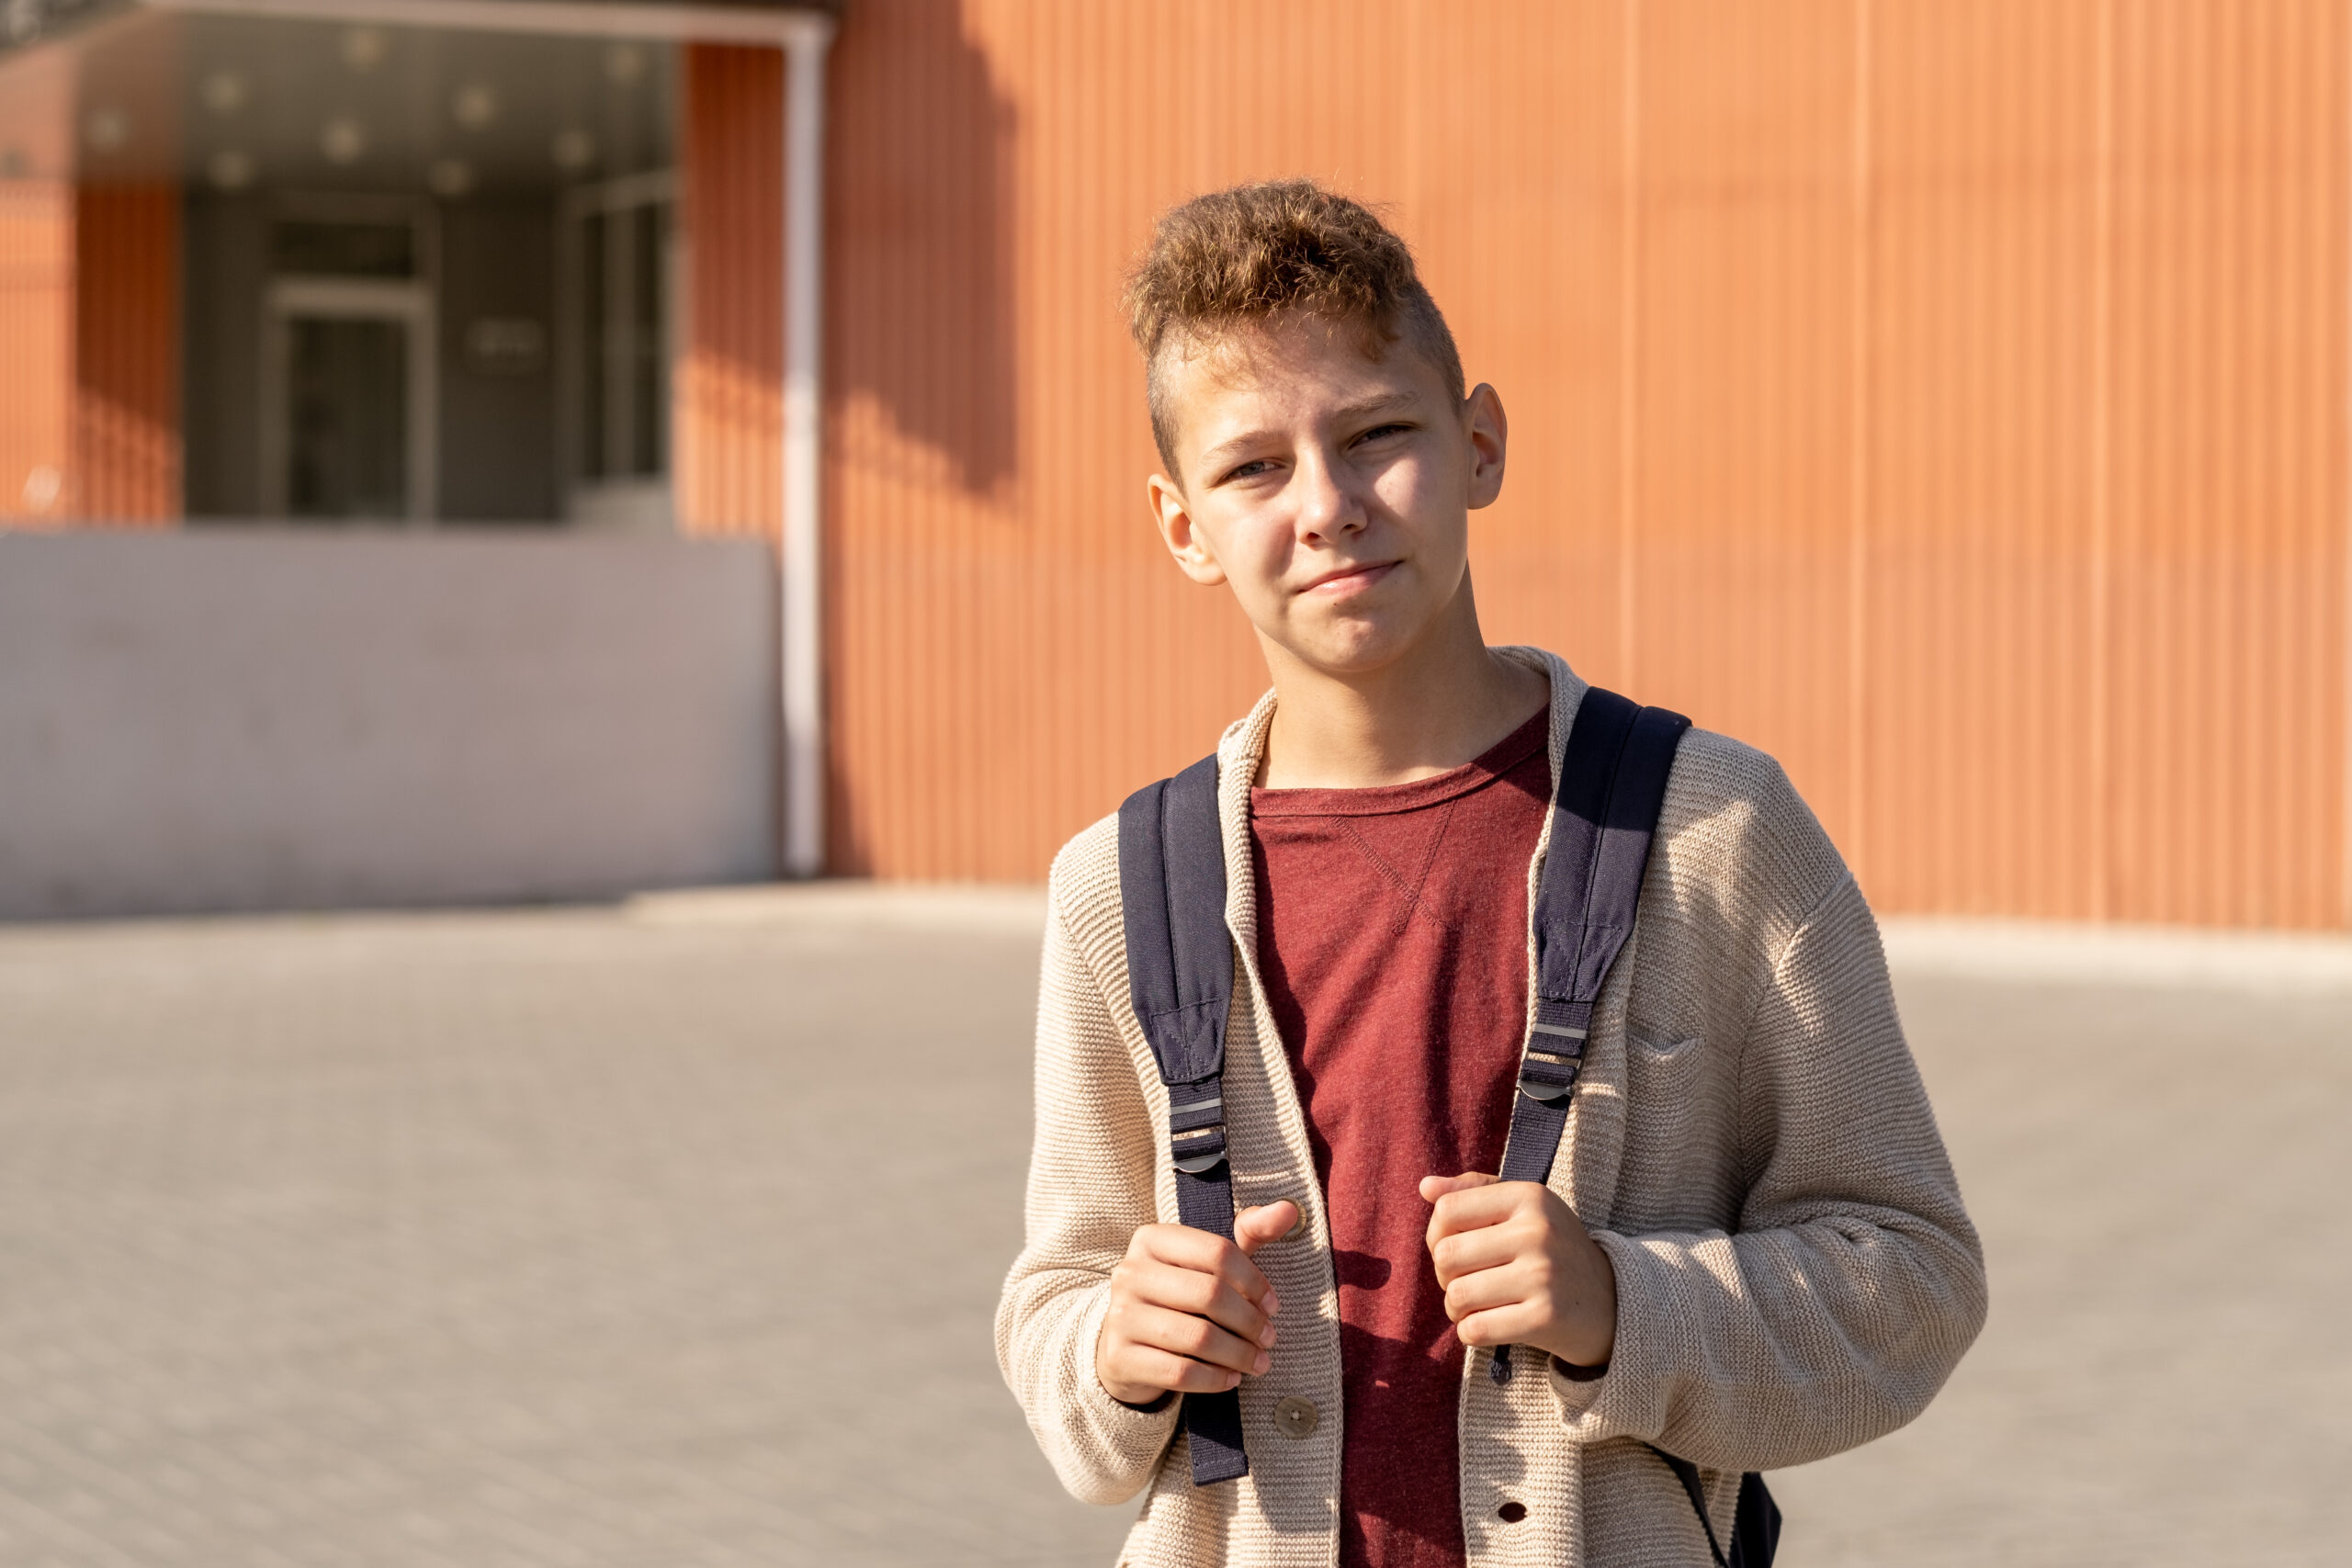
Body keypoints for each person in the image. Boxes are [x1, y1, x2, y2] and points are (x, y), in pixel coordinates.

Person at [995, 178, 1986, 1568]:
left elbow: (1911, 1277)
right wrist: (1119, 1342)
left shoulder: (1715, 828)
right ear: (1181, 528)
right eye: (1253, 469)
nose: (1329, 506)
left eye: (1376, 434)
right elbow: (1057, 1311)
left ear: (1480, 443)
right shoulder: (1119, 887)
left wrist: (1618, 1304)